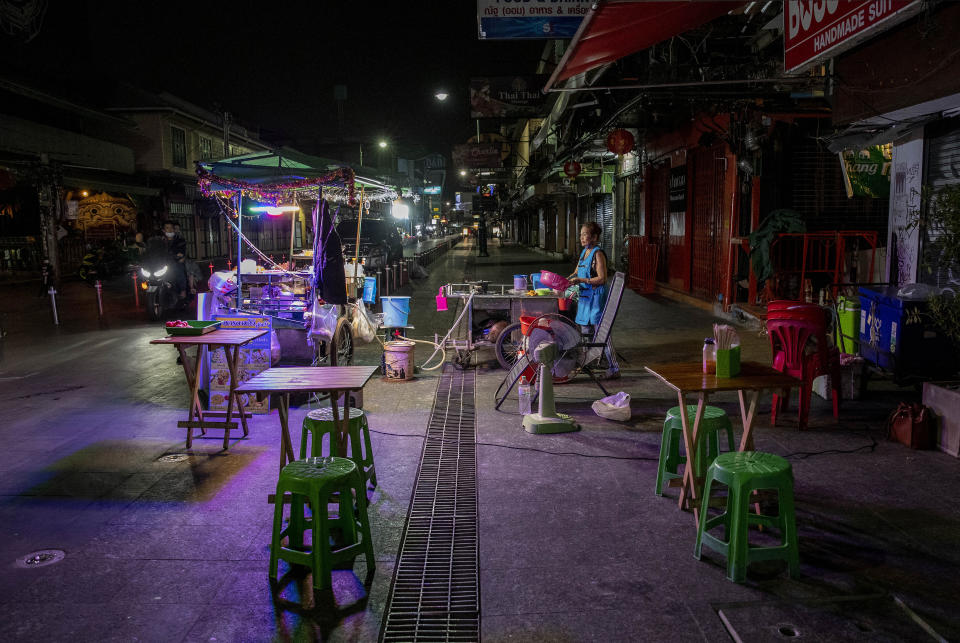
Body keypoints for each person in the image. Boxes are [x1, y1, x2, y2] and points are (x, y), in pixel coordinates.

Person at [567, 221, 619, 379]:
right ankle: (586, 362)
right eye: (581, 234)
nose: (582, 237)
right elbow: (576, 273)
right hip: (585, 298)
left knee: (601, 331)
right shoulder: (584, 252)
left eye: (585, 234)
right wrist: (563, 281)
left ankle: (614, 367)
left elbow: (602, 278)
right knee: (585, 330)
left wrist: (582, 281)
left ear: (594, 237)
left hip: (596, 298)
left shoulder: (598, 253)